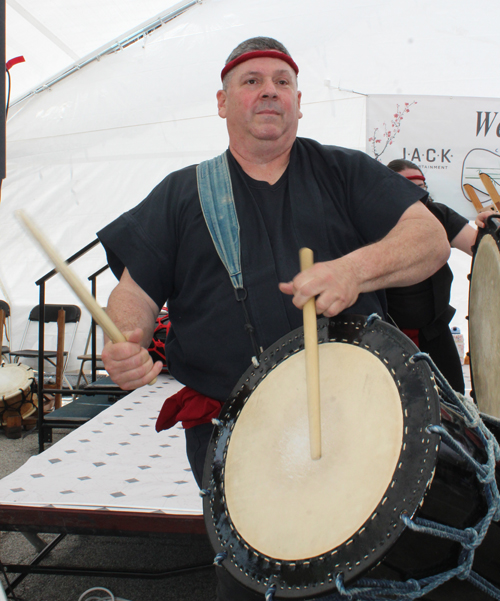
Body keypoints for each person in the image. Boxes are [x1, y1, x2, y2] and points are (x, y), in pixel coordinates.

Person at [98, 37, 449, 600]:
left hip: (358, 416)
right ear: (222, 102)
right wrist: (128, 337)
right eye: (252, 81)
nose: (269, 91)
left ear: (298, 102)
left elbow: (429, 240)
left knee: (360, 573)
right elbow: (134, 292)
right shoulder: (183, 193)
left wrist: (355, 271)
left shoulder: (345, 172)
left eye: (282, 82)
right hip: (234, 430)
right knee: (260, 582)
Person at [385, 158, 480, 394]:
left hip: (434, 332)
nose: (417, 193)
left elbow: (476, 244)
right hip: (387, 335)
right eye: (409, 186)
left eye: (422, 187)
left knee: (454, 403)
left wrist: (488, 228)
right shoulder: (370, 220)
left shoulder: (438, 214)